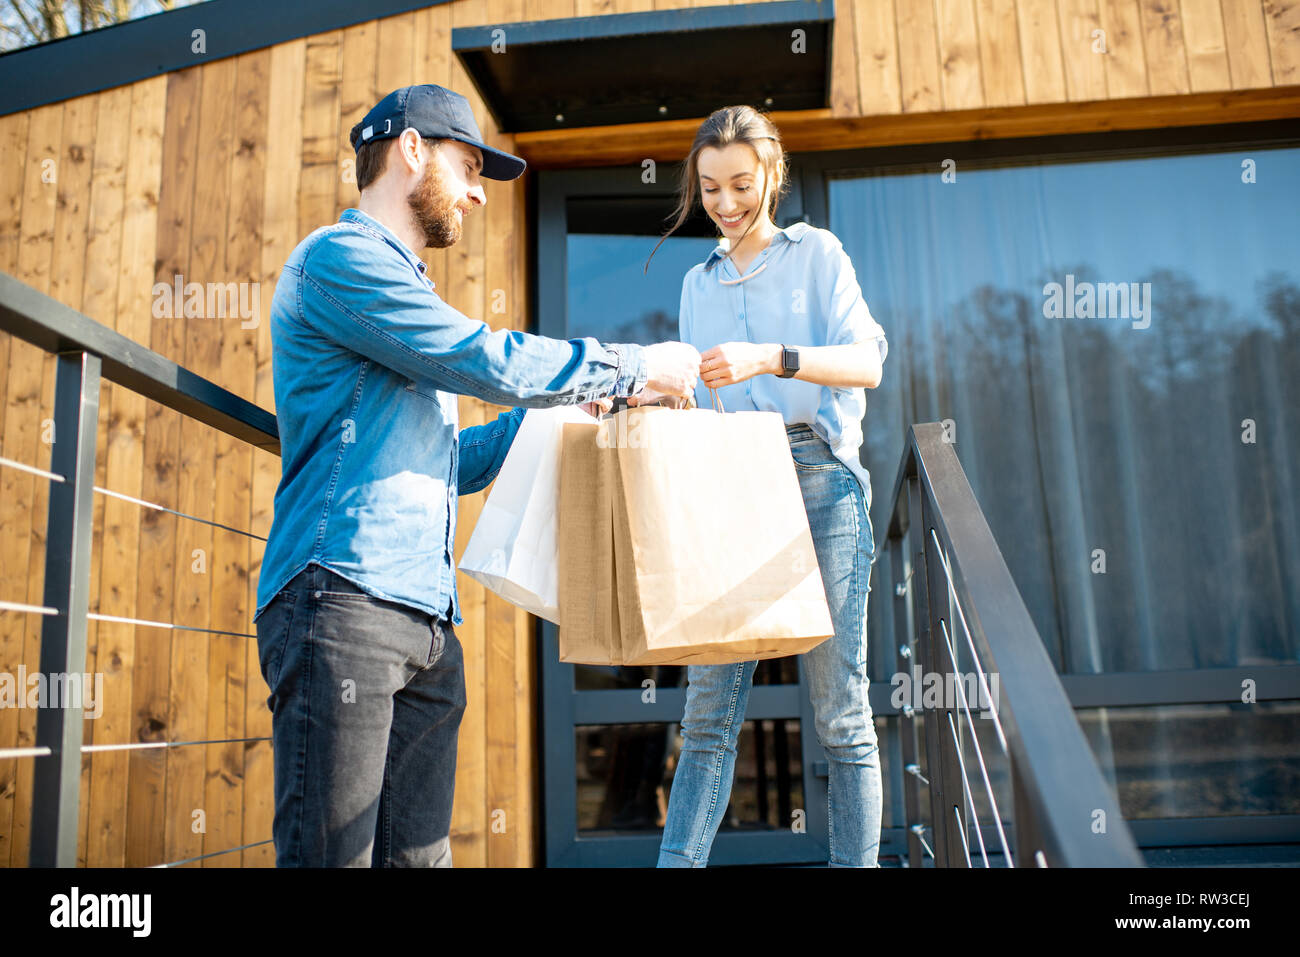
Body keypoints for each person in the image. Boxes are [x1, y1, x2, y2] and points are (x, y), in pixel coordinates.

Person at [252, 84, 699, 867]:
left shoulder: (407, 295)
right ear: (411, 150)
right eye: (468, 169)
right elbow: (483, 359)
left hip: (425, 622)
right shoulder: (340, 261)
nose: (477, 196)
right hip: (343, 603)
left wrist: (565, 411)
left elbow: (449, 463)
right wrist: (629, 363)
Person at [638, 104, 888, 867]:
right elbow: (694, 399)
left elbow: (868, 362)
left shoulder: (818, 254)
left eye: (740, 184)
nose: (725, 203)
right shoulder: (696, 282)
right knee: (708, 713)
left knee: (841, 712)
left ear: (771, 175)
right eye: (710, 188)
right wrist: (642, 392)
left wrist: (771, 357)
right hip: (732, 487)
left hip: (820, 479)